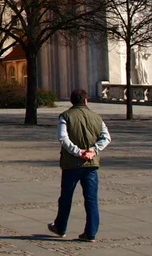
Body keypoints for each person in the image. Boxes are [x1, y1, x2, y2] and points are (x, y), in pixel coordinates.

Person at [48, 88, 110, 242]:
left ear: (72, 101)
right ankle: (91, 232)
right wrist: (93, 150)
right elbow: (106, 137)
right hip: (91, 163)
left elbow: (62, 137)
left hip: (71, 164)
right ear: (86, 100)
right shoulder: (97, 117)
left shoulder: (66, 116)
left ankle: (60, 227)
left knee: (66, 197)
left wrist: (77, 152)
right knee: (91, 199)